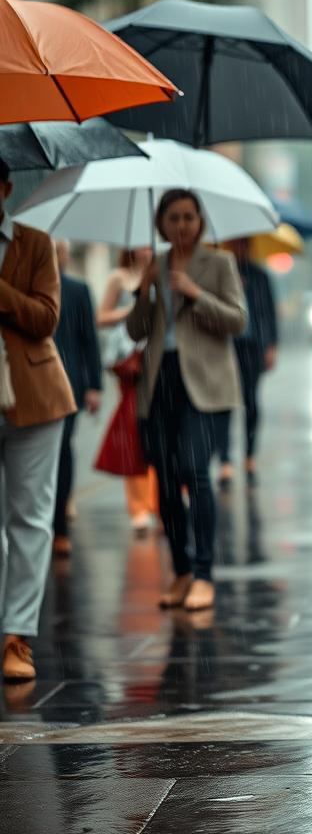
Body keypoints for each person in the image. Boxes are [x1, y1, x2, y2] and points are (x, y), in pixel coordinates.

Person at [127, 190, 247, 612]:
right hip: (161, 384)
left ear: (200, 221)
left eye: (188, 217)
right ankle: (179, 570)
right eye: (173, 218)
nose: (181, 225)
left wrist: (194, 292)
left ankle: (203, 574)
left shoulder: (219, 263)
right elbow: (136, 331)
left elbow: (237, 319)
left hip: (207, 388)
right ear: (161, 224)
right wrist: (143, 291)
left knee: (196, 475)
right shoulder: (154, 265)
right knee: (164, 475)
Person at [0, 160, 77, 683]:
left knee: (30, 519)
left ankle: (17, 638)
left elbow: (45, 317)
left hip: (36, 397)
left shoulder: (35, 242)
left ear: (5, 189)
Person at [95, 247, 158, 534]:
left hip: (157, 360)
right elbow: (101, 316)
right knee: (133, 430)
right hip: (129, 361)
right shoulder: (120, 278)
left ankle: (159, 501)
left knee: (161, 431)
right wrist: (132, 311)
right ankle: (139, 506)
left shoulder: (162, 272)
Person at [214, 238, 278, 490]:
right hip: (226, 347)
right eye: (236, 245)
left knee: (250, 402)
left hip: (252, 347)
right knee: (224, 404)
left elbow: (269, 312)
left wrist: (272, 345)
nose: (240, 250)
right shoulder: (219, 275)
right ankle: (225, 460)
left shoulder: (260, 276)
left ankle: (249, 457)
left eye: (244, 245)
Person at [52, 240, 103, 556]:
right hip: (32, 385)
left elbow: (89, 340)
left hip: (69, 385)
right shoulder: (26, 288)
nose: (59, 257)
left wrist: (94, 385)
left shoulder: (77, 290)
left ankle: (60, 528)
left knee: (63, 451)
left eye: (62, 252)